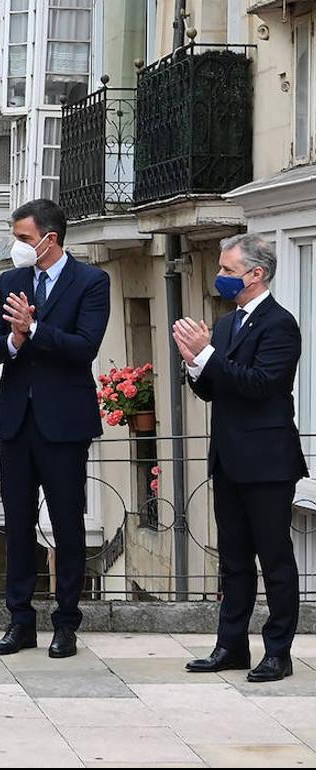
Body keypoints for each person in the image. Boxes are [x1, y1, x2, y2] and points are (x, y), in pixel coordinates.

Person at [0, 198, 110, 660]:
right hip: (16, 421)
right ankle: (20, 621)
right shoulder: (10, 281)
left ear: (50, 239)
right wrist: (12, 340)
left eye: (25, 239)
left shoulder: (91, 281)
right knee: (16, 524)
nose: (18, 247)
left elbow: (84, 347)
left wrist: (34, 330)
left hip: (64, 423)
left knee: (67, 524)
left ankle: (66, 622)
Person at [175, 234, 308, 683]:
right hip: (229, 457)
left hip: (268, 460)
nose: (221, 277)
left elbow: (260, 385)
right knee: (232, 560)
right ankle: (230, 645)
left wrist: (208, 354)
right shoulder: (229, 324)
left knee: (274, 559)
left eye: (229, 270)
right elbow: (215, 389)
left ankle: (278, 652)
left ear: (257, 274)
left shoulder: (280, 324)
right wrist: (195, 363)